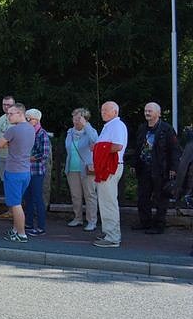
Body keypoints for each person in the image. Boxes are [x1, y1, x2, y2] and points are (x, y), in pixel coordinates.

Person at [130, 102, 179, 235]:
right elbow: (137, 148)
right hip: (144, 168)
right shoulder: (142, 128)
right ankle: (145, 222)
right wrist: (134, 164)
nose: (147, 113)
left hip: (160, 169)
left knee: (161, 198)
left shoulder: (166, 129)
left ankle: (159, 225)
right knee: (143, 196)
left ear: (158, 113)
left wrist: (173, 168)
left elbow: (174, 150)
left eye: (150, 111)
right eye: (146, 110)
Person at [0, 103, 35, 243]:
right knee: (17, 201)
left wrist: (8, 142)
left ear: (20, 113)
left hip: (13, 171)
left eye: (11, 113)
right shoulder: (31, 129)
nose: (8, 116)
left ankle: (21, 233)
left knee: (15, 204)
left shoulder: (13, 130)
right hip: (25, 171)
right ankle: (15, 229)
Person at [92, 101, 128, 248]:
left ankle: (113, 237)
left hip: (110, 167)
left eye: (107, 110)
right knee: (106, 202)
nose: (103, 112)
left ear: (115, 112)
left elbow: (118, 145)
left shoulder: (117, 125)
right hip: (107, 167)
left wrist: (99, 149)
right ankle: (109, 232)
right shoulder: (110, 126)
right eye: (102, 110)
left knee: (108, 202)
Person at [64, 108, 99, 231]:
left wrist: (86, 126)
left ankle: (92, 221)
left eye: (78, 118)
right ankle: (77, 218)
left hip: (87, 168)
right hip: (72, 168)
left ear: (85, 119)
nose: (75, 121)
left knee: (90, 195)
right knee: (76, 195)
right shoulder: (70, 132)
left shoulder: (90, 131)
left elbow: (96, 141)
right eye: (74, 118)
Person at [24, 109, 50, 236]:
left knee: (37, 198)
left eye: (29, 119)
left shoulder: (42, 134)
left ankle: (41, 226)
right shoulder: (28, 133)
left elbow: (44, 154)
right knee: (27, 197)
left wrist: (29, 157)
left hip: (37, 171)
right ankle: (28, 223)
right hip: (26, 170)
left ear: (36, 120)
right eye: (26, 118)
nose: (27, 121)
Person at [0, 95, 16, 219]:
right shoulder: (2, 118)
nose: (6, 107)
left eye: (9, 105)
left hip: (11, 157)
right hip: (1, 155)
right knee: (6, 183)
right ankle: (10, 210)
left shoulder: (16, 120)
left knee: (13, 184)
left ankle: (15, 211)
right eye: (4, 104)